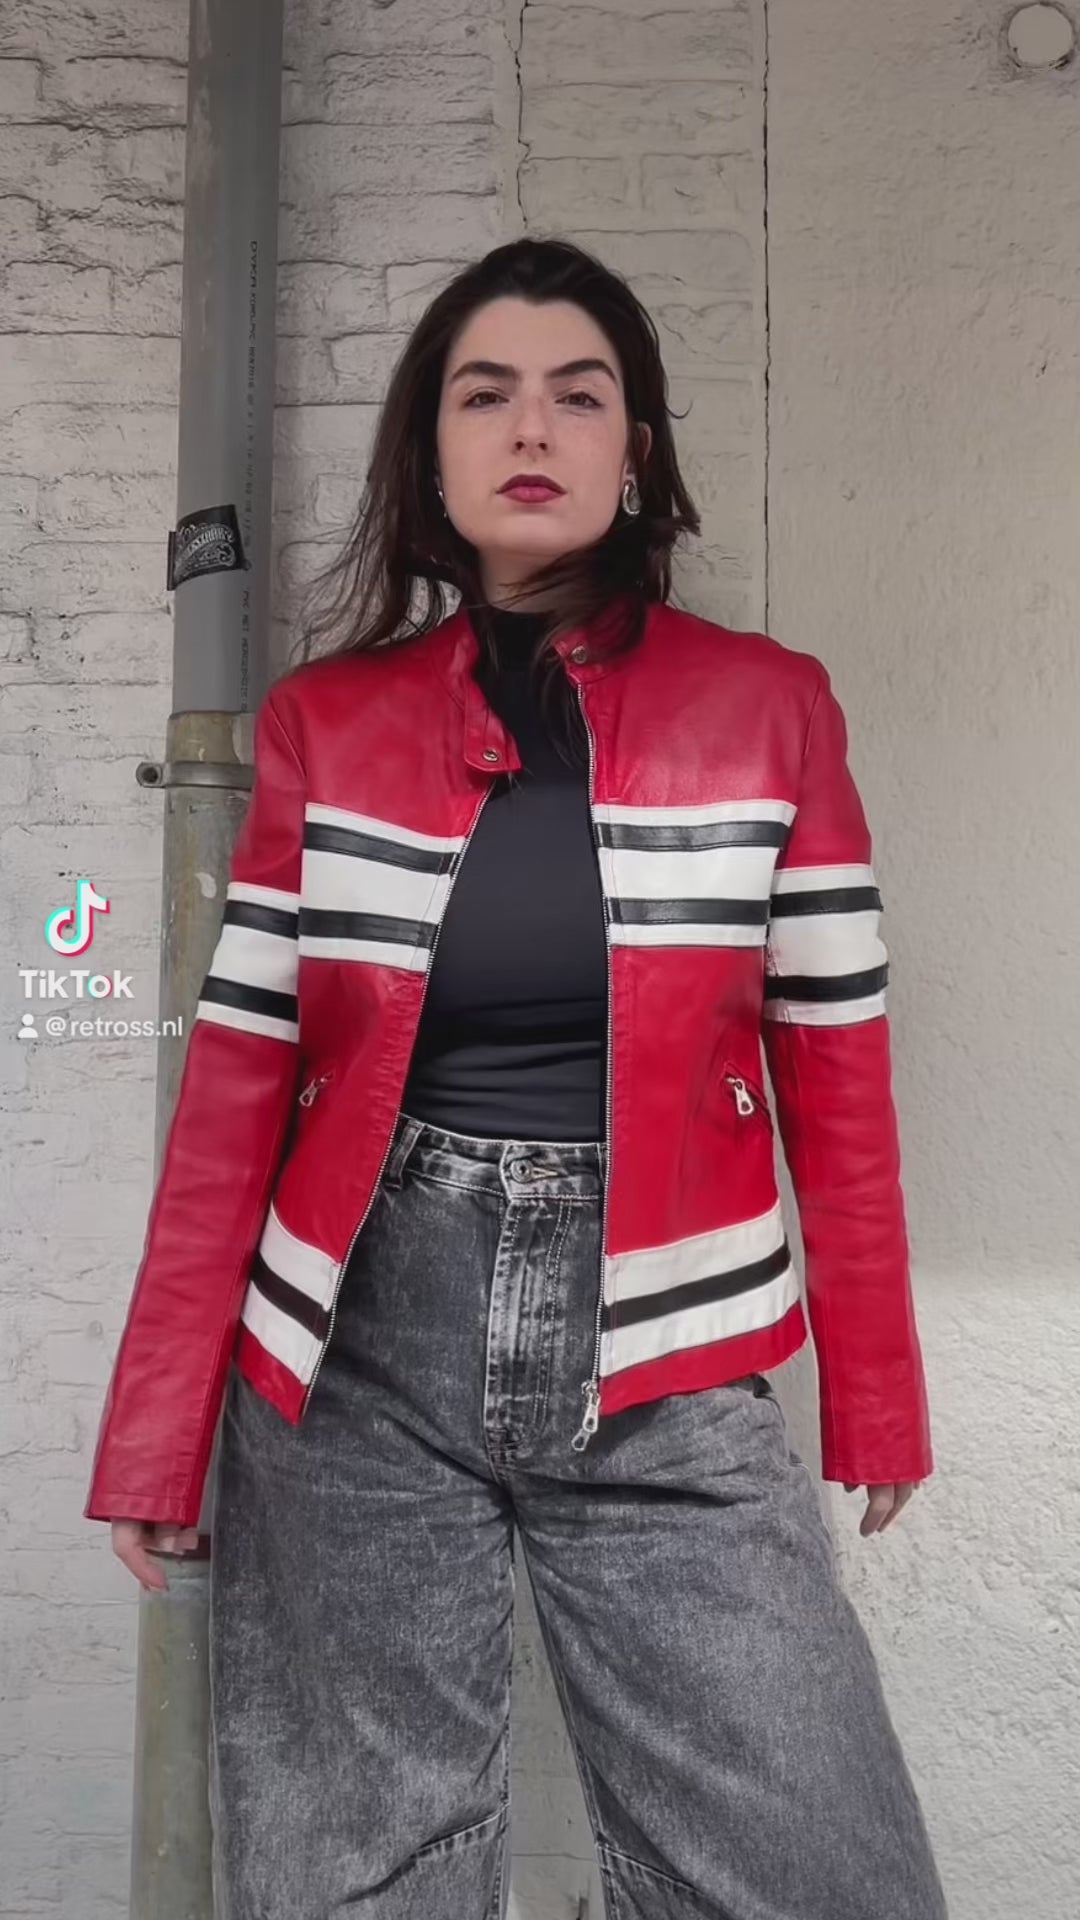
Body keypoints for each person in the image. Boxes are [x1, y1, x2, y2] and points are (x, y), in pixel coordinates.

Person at [86, 237, 947, 1919]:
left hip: (676, 1353)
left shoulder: (773, 710)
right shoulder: (323, 726)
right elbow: (238, 1089)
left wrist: (878, 1392)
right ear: (430, 455)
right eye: (485, 395)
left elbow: (839, 1068)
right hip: (349, 1361)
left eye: (579, 393)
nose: (532, 427)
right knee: (357, 1876)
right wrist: (159, 1428)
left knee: (813, 1867)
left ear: (639, 452)